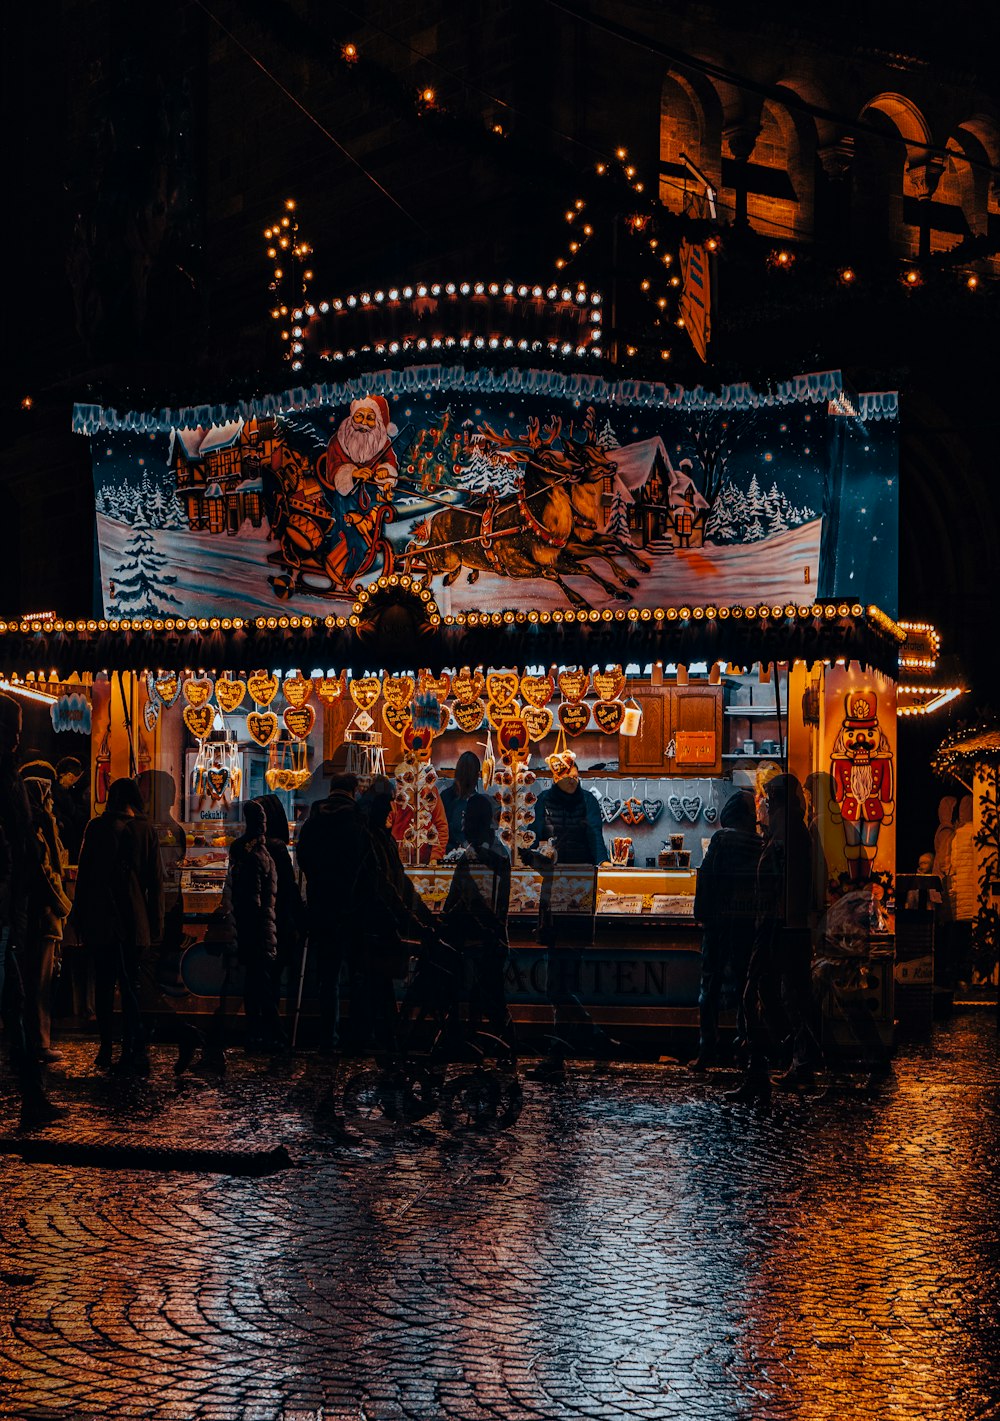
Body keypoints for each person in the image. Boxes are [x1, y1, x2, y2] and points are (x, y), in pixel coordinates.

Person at [730, 772, 820, 1105]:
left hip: (776, 927)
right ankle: (789, 1062)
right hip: (782, 926)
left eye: (767, 798)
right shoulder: (787, 829)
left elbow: (775, 883)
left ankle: (765, 1067)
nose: (763, 804)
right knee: (787, 996)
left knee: (758, 994)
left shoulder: (788, 832)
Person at [0, 693, 64, 1128]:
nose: (19, 741)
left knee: (15, 998)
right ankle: (31, 1095)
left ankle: (32, 1094)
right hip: (6, 908)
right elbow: (21, 852)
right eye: (14, 732)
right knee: (13, 997)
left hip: (10, 907)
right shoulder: (5, 781)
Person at [72, 777, 164, 1073]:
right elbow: (156, 883)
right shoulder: (146, 830)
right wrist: (155, 925)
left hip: (101, 921)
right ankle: (130, 1046)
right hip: (135, 922)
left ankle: (105, 1045)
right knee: (130, 986)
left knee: (103, 984)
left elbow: (84, 878)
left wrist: (79, 917)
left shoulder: (96, 828)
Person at [297, 773, 378, 1052]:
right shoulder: (358, 818)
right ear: (354, 791)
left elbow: (303, 857)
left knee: (327, 977)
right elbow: (368, 863)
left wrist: (318, 881)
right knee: (357, 974)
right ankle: (357, 1037)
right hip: (353, 907)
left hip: (322, 906)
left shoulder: (314, 818)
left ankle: (327, 1038)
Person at [440, 792, 515, 1064]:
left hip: (482, 941)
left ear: (478, 821)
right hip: (486, 940)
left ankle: (501, 1048)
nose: (463, 823)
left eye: (467, 817)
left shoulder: (484, 856)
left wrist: (446, 918)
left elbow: (477, 901)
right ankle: (489, 1047)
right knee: (486, 997)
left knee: (488, 998)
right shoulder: (491, 852)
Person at [691, 788, 761, 1070]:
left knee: (709, 987)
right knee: (745, 988)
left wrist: (702, 913)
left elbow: (706, 877)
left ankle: (707, 1048)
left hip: (718, 924)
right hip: (746, 925)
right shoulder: (759, 843)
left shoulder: (721, 839)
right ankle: (744, 1047)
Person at [21, 776, 72, 1064]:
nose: (52, 803)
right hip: (43, 917)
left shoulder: (41, 830)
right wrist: (63, 905)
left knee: (41, 980)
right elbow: (45, 875)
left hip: (45, 916)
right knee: (39, 983)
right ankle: (38, 1042)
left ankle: (37, 1040)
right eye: (48, 797)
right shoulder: (37, 834)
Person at [229, 800, 283, 1052]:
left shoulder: (239, 848)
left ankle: (256, 1031)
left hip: (247, 922)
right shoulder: (268, 851)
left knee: (254, 978)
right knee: (263, 979)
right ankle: (274, 1033)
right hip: (262, 923)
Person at [256, 793, 305, 1036]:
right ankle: (272, 1031)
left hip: (259, 921)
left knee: (261, 978)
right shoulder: (276, 848)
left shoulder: (254, 846)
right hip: (276, 922)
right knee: (272, 979)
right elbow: (289, 887)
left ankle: (261, 1030)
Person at [440, 751, 482, 854]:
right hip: (470, 857)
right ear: (477, 775)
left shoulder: (445, 796)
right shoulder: (480, 802)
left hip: (447, 855)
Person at [52, 757, 87, 863]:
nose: (72, 785)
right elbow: (73, 813)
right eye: (73, 781)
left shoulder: (54, 790)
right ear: (69, 776)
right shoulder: (61, 794)